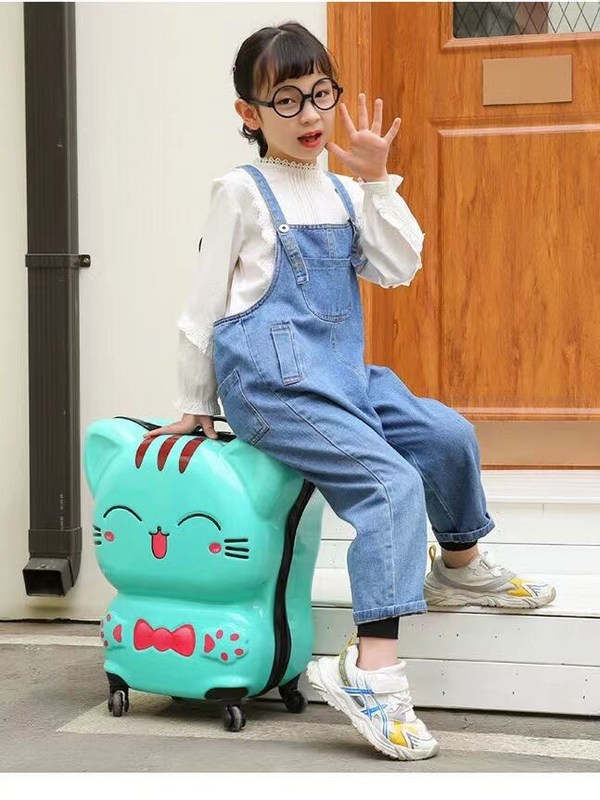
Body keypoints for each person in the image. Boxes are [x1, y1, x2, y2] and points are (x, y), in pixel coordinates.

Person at [144, 21, 556, 761]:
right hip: (273, 389)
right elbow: (202, 308)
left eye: (320, 94)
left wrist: (375, 180)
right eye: (287, 100)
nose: (309, 115)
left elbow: (397, 268)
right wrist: (196, 404)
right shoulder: (239, 192)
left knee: (446, 434)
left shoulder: (341, 190)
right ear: (248, 113)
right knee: (390, 486)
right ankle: (372, 673)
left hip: (342, 376)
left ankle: (458, 568)